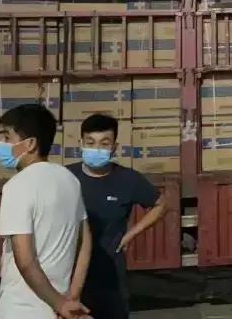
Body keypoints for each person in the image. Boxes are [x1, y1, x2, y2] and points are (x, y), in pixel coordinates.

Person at [67, 113, 170, 319]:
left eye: (104, 143)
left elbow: (161, 204)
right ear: (81, 144)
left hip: (110, 275)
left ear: (114, 147)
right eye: (90, 143)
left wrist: (130, 235)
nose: (96, 149)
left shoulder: (128, 179)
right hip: (68, 273)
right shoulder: (65, 177)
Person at [0, 104, 92, 319]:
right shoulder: (70, 180)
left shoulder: (17, 186)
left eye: (7, 137)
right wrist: (72, 296)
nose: (2, 144)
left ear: (30, 144)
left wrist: (60, 304)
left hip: (22, 308)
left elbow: (25, 260)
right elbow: (85, 241)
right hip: (58, 308)